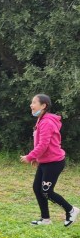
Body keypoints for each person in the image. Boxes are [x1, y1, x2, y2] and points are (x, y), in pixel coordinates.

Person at [20, 94, 79, 227]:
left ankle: (71, 210)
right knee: (37, 188)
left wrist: (30, 156)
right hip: (45, 162)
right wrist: (37, 158)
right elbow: (41, 144)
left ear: (43, 106)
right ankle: (45, 219)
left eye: (34, 102)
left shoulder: (46, 122)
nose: (31, 105)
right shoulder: (41, 120)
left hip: (54, 162)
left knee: (47, 191)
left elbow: (43, 144)